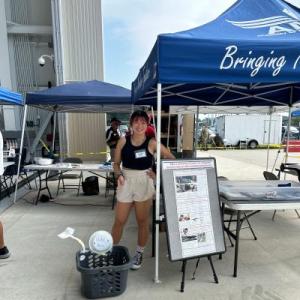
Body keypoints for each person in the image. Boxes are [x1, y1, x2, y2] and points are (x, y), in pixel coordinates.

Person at [111, 110, 175, 270]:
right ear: (131, 124)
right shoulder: (123, 141)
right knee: (119, 221)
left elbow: (171, 158)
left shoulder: (152, 142)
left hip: (144, 182)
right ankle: (109, 252)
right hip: (125, 181)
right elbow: (116, 163)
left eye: (143, 122)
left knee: (142, 222)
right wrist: (118, 174)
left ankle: (139, 254)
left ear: (147, 125)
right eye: (136, 122)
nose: (139, 125)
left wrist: (157, 174)